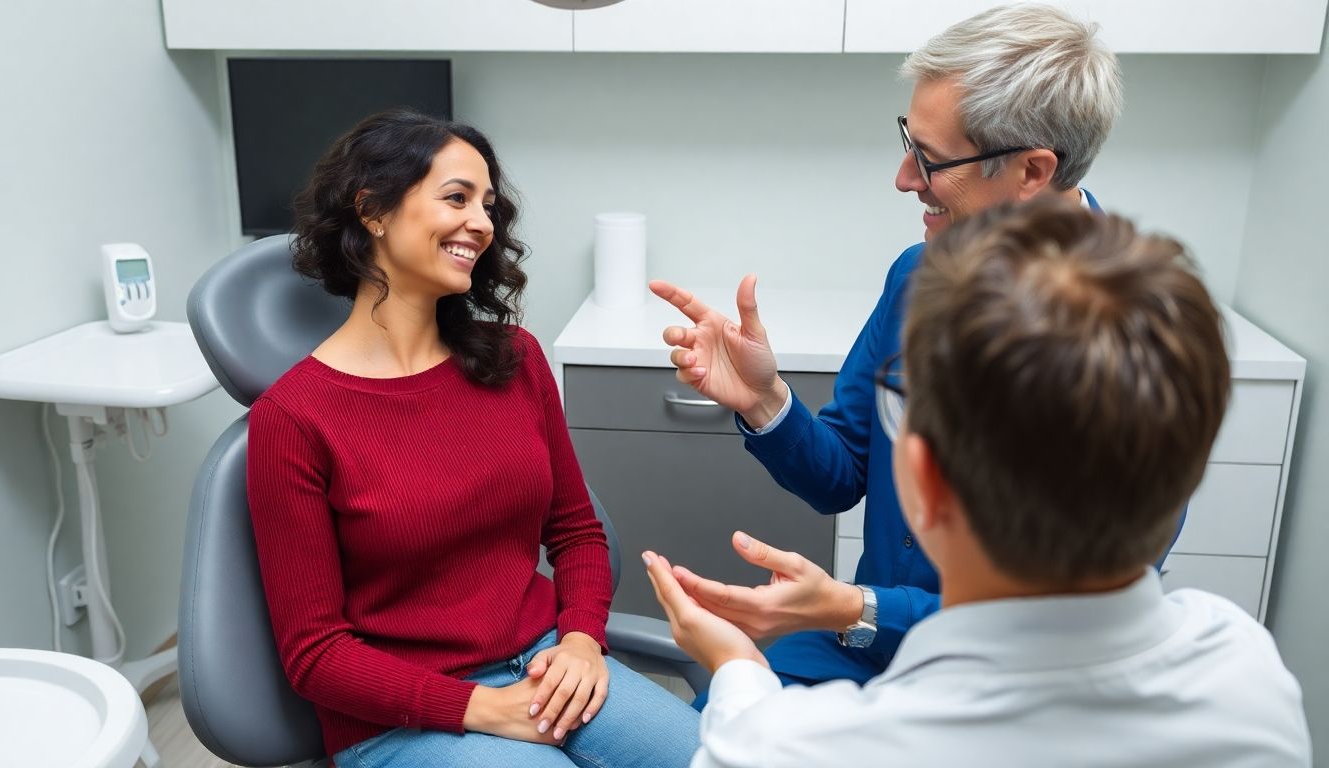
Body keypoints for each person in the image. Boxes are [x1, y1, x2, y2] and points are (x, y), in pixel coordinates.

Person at [646, 199, 1312, 766]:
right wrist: (765, 404)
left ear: (926, 483)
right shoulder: (1253, 672)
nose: (907, 177)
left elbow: (756, 744)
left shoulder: (806, 748)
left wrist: (736, 668)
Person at [648, 3, 1188, 696]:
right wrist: (763, 402)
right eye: (909, 141)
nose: (904, 178)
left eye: (931, 159)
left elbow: (1072, 620)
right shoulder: (916, 276)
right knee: (720, 723)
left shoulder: (1137, 334)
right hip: (870, 647)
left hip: (1013, 687)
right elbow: (840, 475)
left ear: (1031, 171)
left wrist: (854, 606)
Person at [246, 109, 698, 767]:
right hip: (400, 717)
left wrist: (578, 642)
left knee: (726, 754)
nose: (483, 223)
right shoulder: (294, 418)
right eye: (456, 198)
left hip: (546, 664)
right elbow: (315, 654)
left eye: (488, 204)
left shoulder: (514, 359)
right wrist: (482, 709)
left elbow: (575, 531)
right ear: (372, 210)